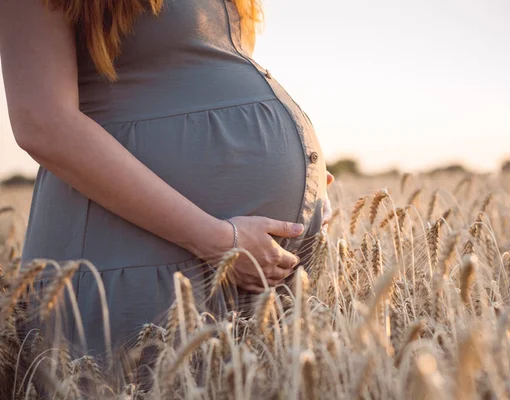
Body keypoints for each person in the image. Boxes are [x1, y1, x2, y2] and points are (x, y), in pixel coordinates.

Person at [0, 0, 333, 358]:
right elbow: (43, 124)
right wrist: (216, 239)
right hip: (138, 250)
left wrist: (310, 178)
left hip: (255, 259)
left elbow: (203, 71)